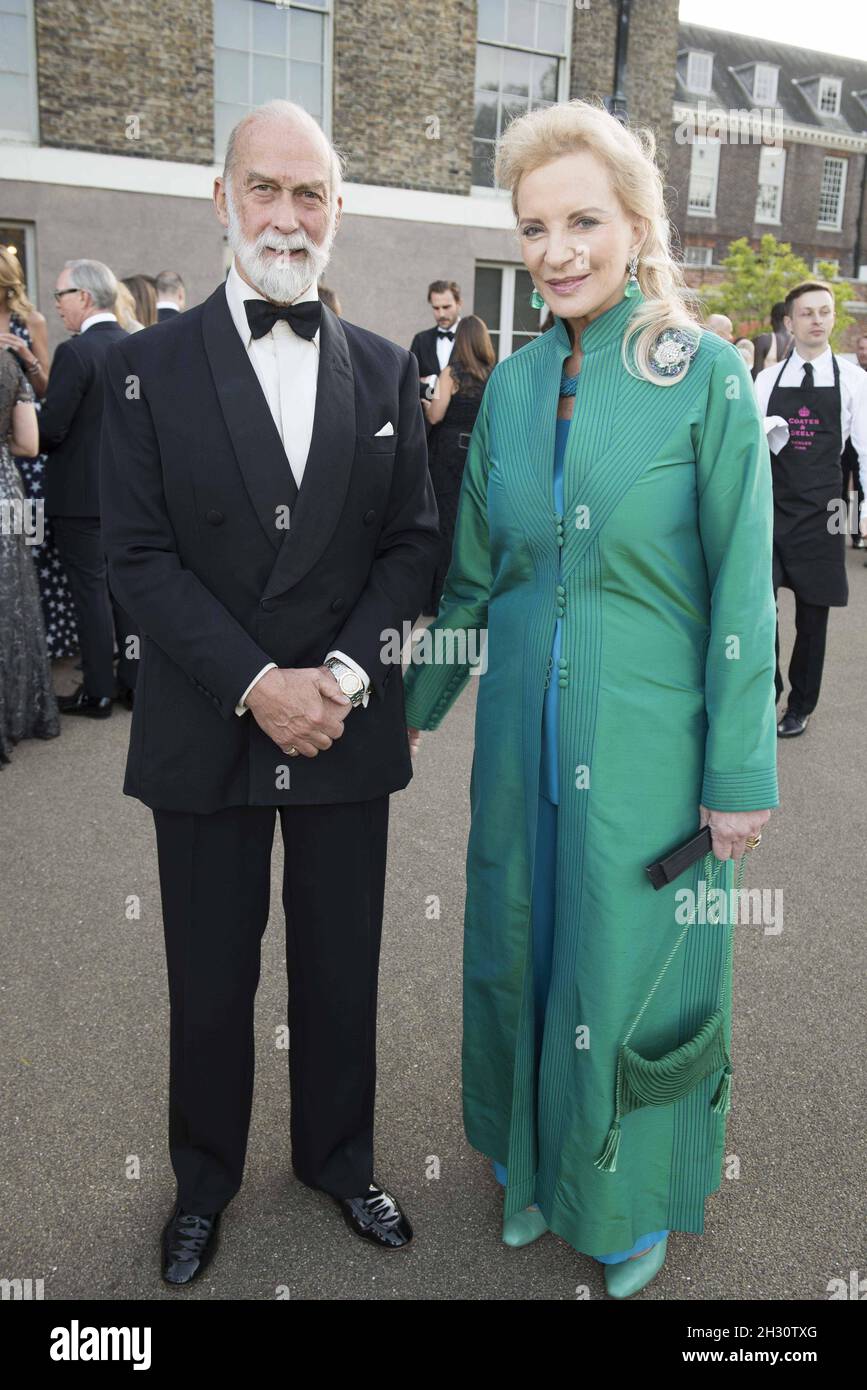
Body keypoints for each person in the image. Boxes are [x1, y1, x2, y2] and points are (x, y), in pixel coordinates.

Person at [403, 98, 778, 1299]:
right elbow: (471, 577)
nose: (557, 250)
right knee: (520, 948)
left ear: (636, 222)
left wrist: (737, 781)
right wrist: (395, 707)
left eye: (582, 221)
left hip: (649, 759)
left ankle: (627, 1202)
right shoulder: (507, 389)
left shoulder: (706, 377)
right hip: (520, 743)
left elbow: (741, 593)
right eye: (533, 227)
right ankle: (529, 1166)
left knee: (622, 969)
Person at [99, 98, 439, 1286]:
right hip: (209, 721)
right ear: (222, 198)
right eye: (266, 189)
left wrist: (338, 675)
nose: (288, 216)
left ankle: (342, 1158)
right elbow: (132, 556)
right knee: (209, 975)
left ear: (337, 211)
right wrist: (255, 682)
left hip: (344, 719)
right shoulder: (146, 368)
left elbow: (412, 546)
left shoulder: (388, 370)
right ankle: (203, 1180)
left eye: (312, 195)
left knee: (343, 964)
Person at [754, 281, 867, 737]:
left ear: (833, 318)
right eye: (807, 313)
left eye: (824, 311)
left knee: (813, 616)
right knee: (762, 608)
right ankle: (767, 693)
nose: (817, 319)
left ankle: (800, 705)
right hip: (769, 509)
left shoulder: (855, 380)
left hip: (828, 509)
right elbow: (747, 448)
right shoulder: (766, 379)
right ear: (789, 322)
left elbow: (864, 448)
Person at [39, 259, 133, 718]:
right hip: (128, 496)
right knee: (125, 591)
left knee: (91, 594)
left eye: (60, 295)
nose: (57, 305)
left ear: (85, 297)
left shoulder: (76, 353)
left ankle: (98, 690)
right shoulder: (136, 346)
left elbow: (50, 430)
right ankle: (132, 683)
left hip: (79, 500)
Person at [0, 246, 79, 659]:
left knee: (32, 547)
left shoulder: (31, 321)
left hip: (26, 461)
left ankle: (46, 643)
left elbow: (49, 390)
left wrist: (27, 357)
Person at [0, 347, 60, 764]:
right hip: (8, 495)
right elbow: (29, 443)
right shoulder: (8, 362)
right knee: (14, 599)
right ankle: (20, 712)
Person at [421, 314, 495, 614]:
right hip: (477, 453)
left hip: (448, 454)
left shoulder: (451, 373)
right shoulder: (493, 373)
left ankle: (436, 596)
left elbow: (436, 416)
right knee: (473, 523)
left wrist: (426, 404)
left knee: (443, 525)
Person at [409, 280, 462, 408]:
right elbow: (411, 383)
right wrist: (434, 393)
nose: (441, 314)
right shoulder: (421, 340)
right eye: (436, 308)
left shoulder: (473, 338)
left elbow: (480, 381)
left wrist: (432, 383)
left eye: (446, 307)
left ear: (459, 304)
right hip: (428, 424)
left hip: (464, 423)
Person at [840, 331, 867, 552]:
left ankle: (861, 534)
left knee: (861, 489)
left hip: (864, 443)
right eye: (861, 348)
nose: (863, 352)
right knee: (840, 489)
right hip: (844, 443)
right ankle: (837, 532)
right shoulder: (849, 375)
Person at [752, 302, 791, 379]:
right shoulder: (799, 343)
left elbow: (756, 376)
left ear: (772, 320)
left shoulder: (763, 340)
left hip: (766, 389)